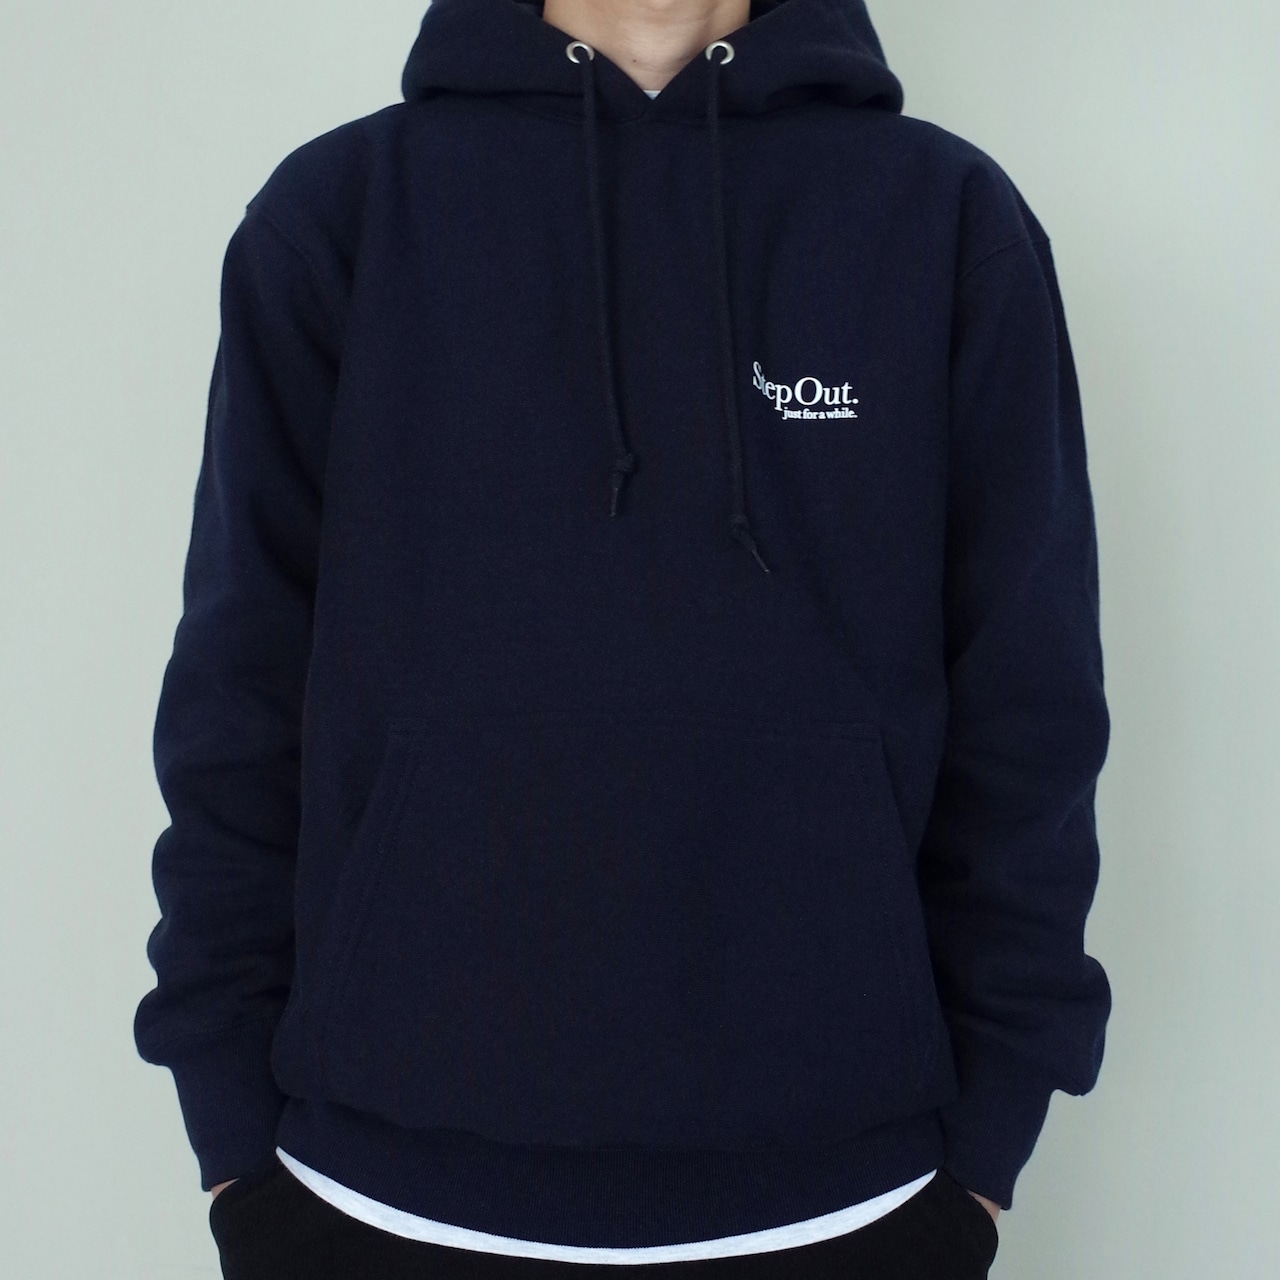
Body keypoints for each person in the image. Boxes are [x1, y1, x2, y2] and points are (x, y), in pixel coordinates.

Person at [133, 0, 1111, 1275]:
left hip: (844, 1199)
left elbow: (1028, 713)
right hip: (374, 1196)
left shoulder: (946, 221)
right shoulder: (340, 216)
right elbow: (235, 693)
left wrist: (984, 1150)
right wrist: (229, 1139)